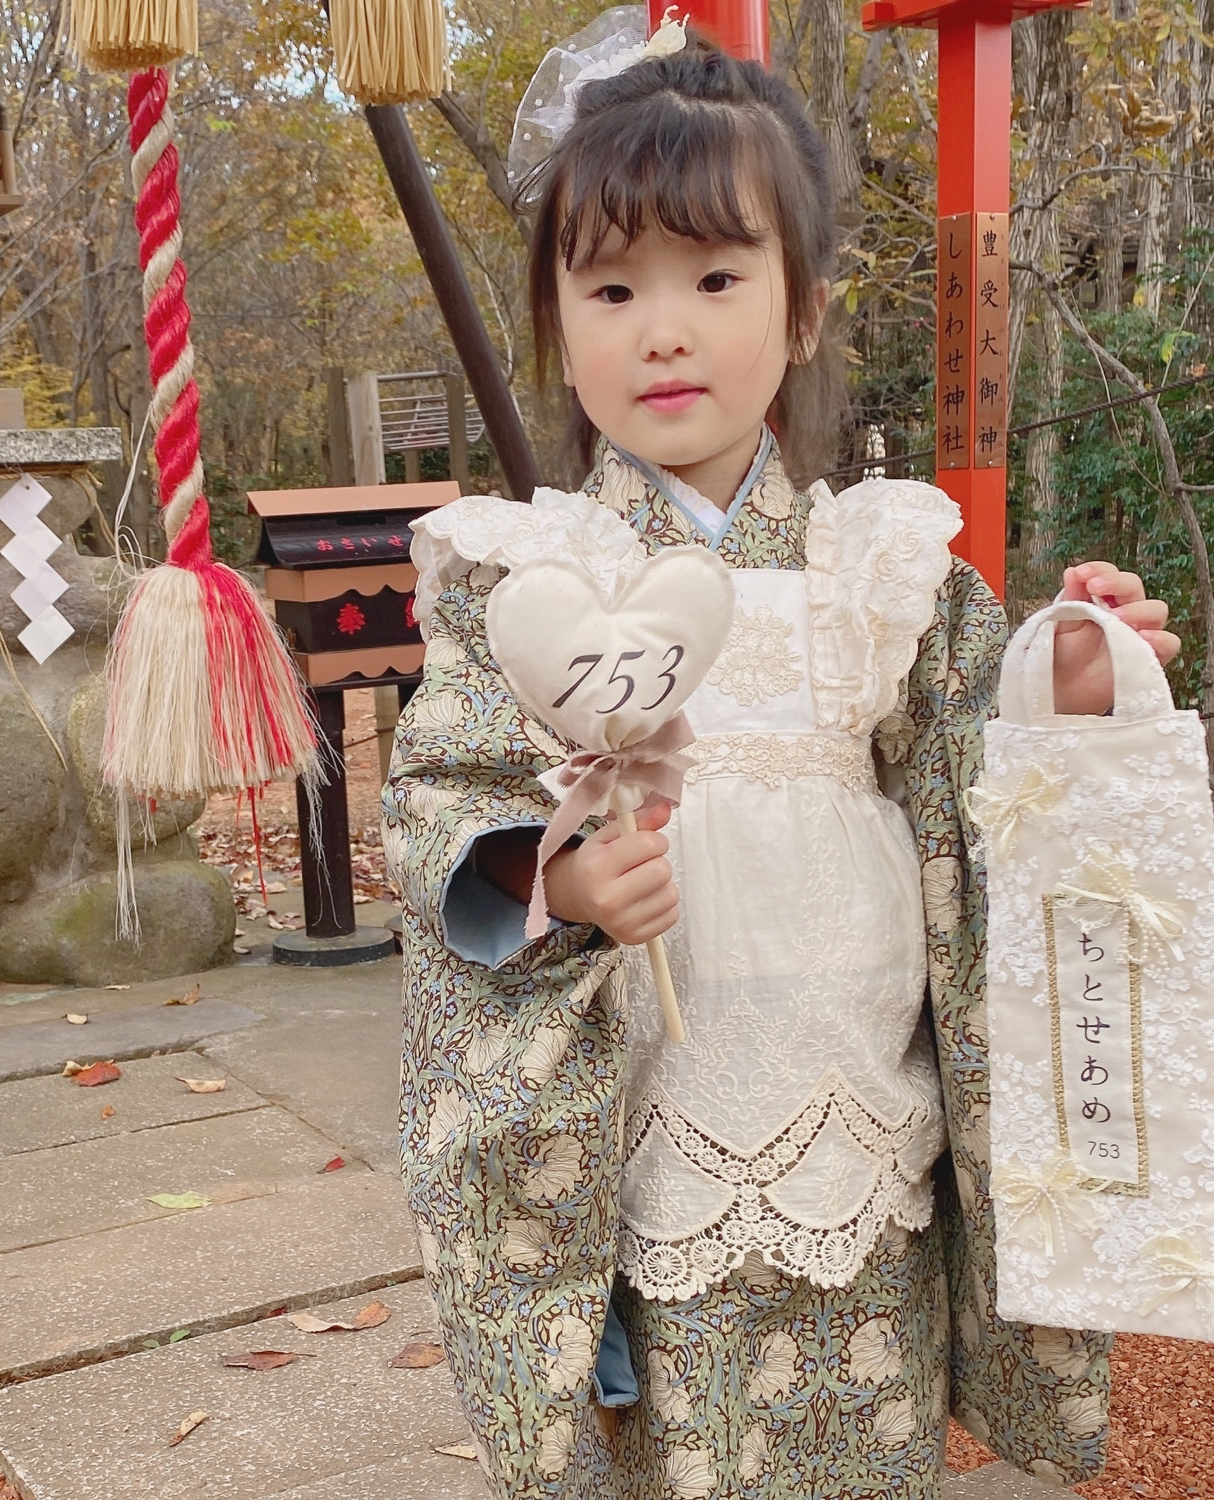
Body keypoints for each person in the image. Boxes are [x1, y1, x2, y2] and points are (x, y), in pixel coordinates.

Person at [381, 23, 1179, 1500]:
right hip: (658, 1111)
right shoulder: (527, 576)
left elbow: (977, 771)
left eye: (715, 278)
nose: (661, 330)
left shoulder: (881, 561)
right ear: (559, 325)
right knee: (689, 1448)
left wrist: (1071, 669)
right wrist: (558, 874)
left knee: (866, 1433)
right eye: (611, 288)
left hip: (862, 1092)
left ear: (804, 311)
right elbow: (444, 799)